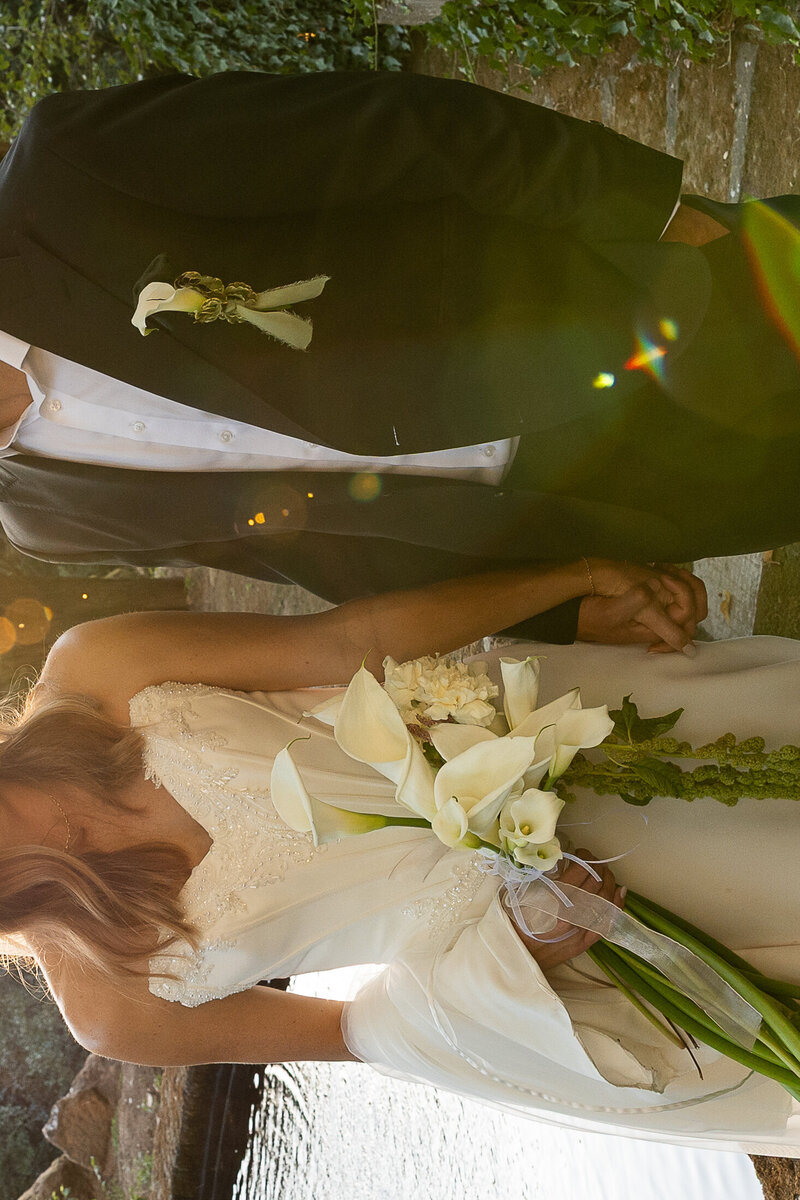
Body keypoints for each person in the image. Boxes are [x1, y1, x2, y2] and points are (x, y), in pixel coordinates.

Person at [3, 557, 799, 1156]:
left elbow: (350, 641)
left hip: (557, 738)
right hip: (587, 912)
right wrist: (512, 951)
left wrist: (576, 588)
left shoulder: (94, 673)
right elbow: (364, 1033)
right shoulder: (108, 1006)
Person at [0, 68, 787, 650]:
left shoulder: (56, 181)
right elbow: (321, 557)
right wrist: (564, 609)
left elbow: (395, 131)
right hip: (580, 500)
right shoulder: (41, 516)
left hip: (618, 309)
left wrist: (652, 218)